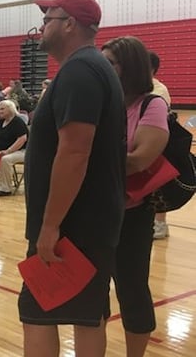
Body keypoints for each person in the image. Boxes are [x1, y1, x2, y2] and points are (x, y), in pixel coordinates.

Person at [20, 0, 125, 356]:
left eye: (49, 17)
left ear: (69, 25)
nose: (42, 25)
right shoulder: (90, 67)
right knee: (88, 316)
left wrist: (50, 225)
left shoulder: (81, 71)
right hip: (88, 222)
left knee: (37, 313)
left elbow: (75, 151)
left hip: (72, 227)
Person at [102, 36, 169, 357]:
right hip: (95, 213)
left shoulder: (151, 104)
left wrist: (85, 159)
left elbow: (141, 159)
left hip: (131, 214)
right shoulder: (102, 103)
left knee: (131, 290)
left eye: (110, 62)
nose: (103, 68)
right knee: (93, 292)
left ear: (129, 67)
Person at [149, 51, 172, 240]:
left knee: (158, 187)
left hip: (157, 146)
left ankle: (160, 224)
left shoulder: (158, 90)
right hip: (143, 144)